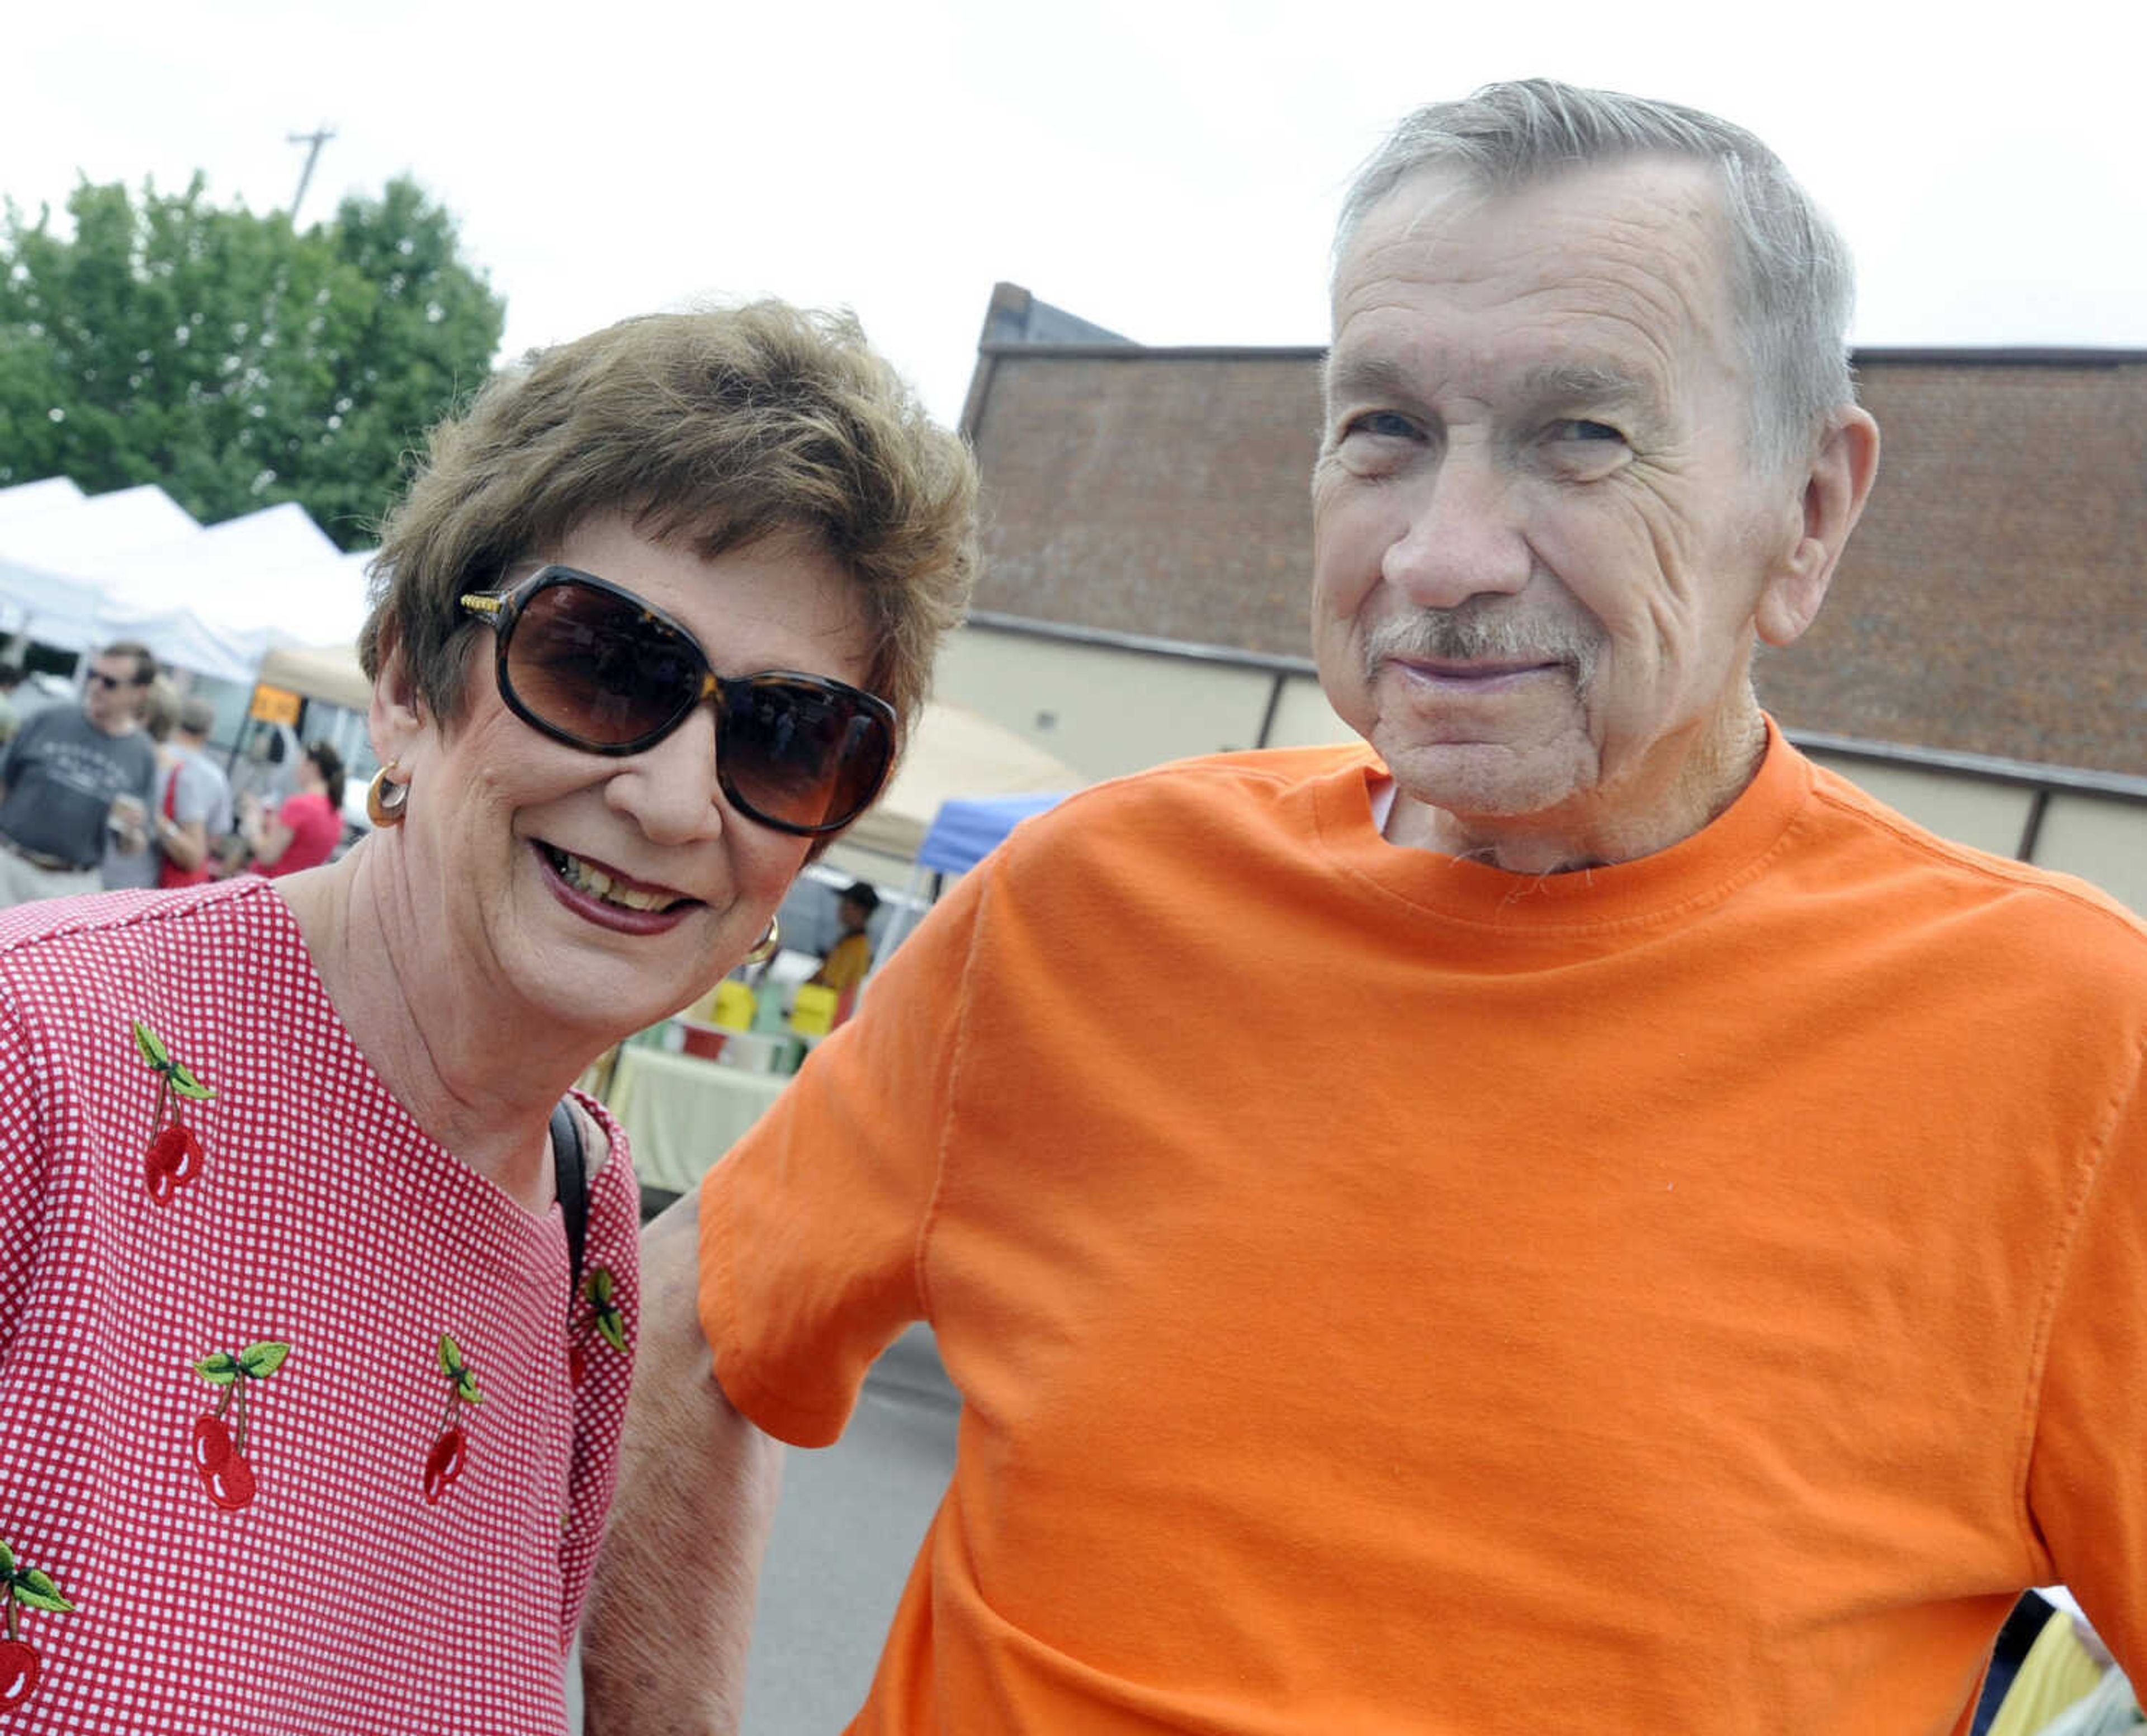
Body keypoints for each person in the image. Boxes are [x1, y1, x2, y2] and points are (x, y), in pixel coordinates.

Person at [584, 81, 2147, 1735]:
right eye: (1383, 429)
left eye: (1580, 436)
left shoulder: (2065, 1045)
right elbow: (677, 1335)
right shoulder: (1083, 910)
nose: (1442, 555)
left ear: (1808, 513)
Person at [0, 301, 976, 1732]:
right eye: (603, 666)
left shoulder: (588, 1233)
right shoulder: (39, 1056)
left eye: (785, 735)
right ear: (406, 682)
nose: (668, 794)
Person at [0, 640, 160, 907]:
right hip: (9, 863)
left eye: (110, 682)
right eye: (93, 676)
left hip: (72, 885)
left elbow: (132, 845)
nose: (96, 686)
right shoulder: (49, 719)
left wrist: (133, 832)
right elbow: (4, 782)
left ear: (139, 693)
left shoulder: (142, 754)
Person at [99, 676, 182, 891]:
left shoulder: (176, 774)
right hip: (117, 880)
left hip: (119, 885)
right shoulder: (115, 753)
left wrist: (153, 819)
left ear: (142, 717)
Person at [148, 694, 237, 889]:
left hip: (138, 868)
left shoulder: (153, 754)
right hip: (176, 886)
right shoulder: (216, 778)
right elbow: (214, 840)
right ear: (209, 731)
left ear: (177, 721)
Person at [239, 739, 344, 876]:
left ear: (312, 766)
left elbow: (267, 857)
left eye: (300, 762)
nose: (296, 768)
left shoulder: (300, 805)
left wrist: (253, 822)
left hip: (268, 886)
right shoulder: (337, 814)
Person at [807, 879, 880, 1000]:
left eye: (846, 904)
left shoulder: (856, 947)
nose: (840, 909)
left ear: (861, 910)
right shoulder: (851, 942)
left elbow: (830, 985)